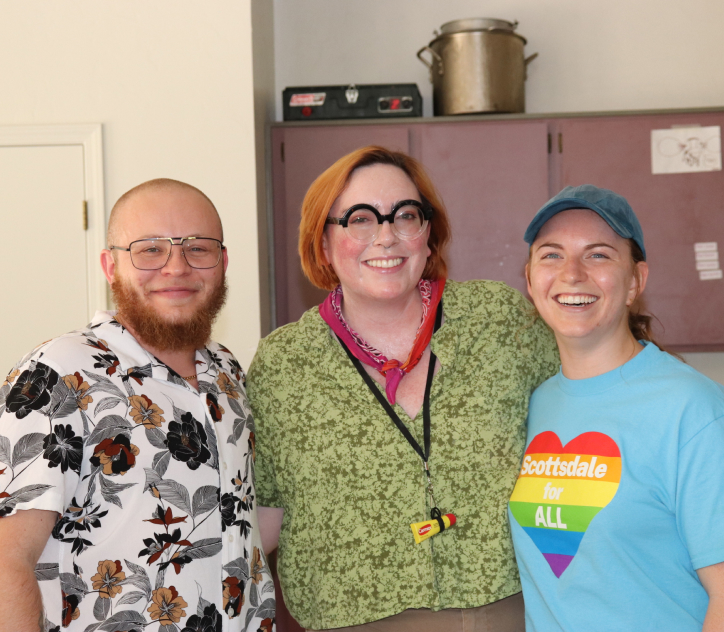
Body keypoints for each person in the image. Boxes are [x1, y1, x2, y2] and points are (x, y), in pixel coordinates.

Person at [247, 146, 559, 631]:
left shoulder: (499, 322)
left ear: (428, 235)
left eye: (405, 216)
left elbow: (588, 406)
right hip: (352, 619)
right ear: (323, 243)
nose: (387, 237)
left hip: (513, 610)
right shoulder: (285, 364)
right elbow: (266, 509)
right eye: (360, 219)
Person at [0, 179, 275, 631]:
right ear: (111, 266)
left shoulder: (227, 373)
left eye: (198, 249)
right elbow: (8, 556)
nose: (176, 267)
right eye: (150, 250)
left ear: (223, 263)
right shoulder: (59, 373)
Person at [509, 184, 724, 631]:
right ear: (530, 281)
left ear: (636, 281)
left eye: (598, 255)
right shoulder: (537, 403)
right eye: (551, 255)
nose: (571, 273)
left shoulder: (692, 409)